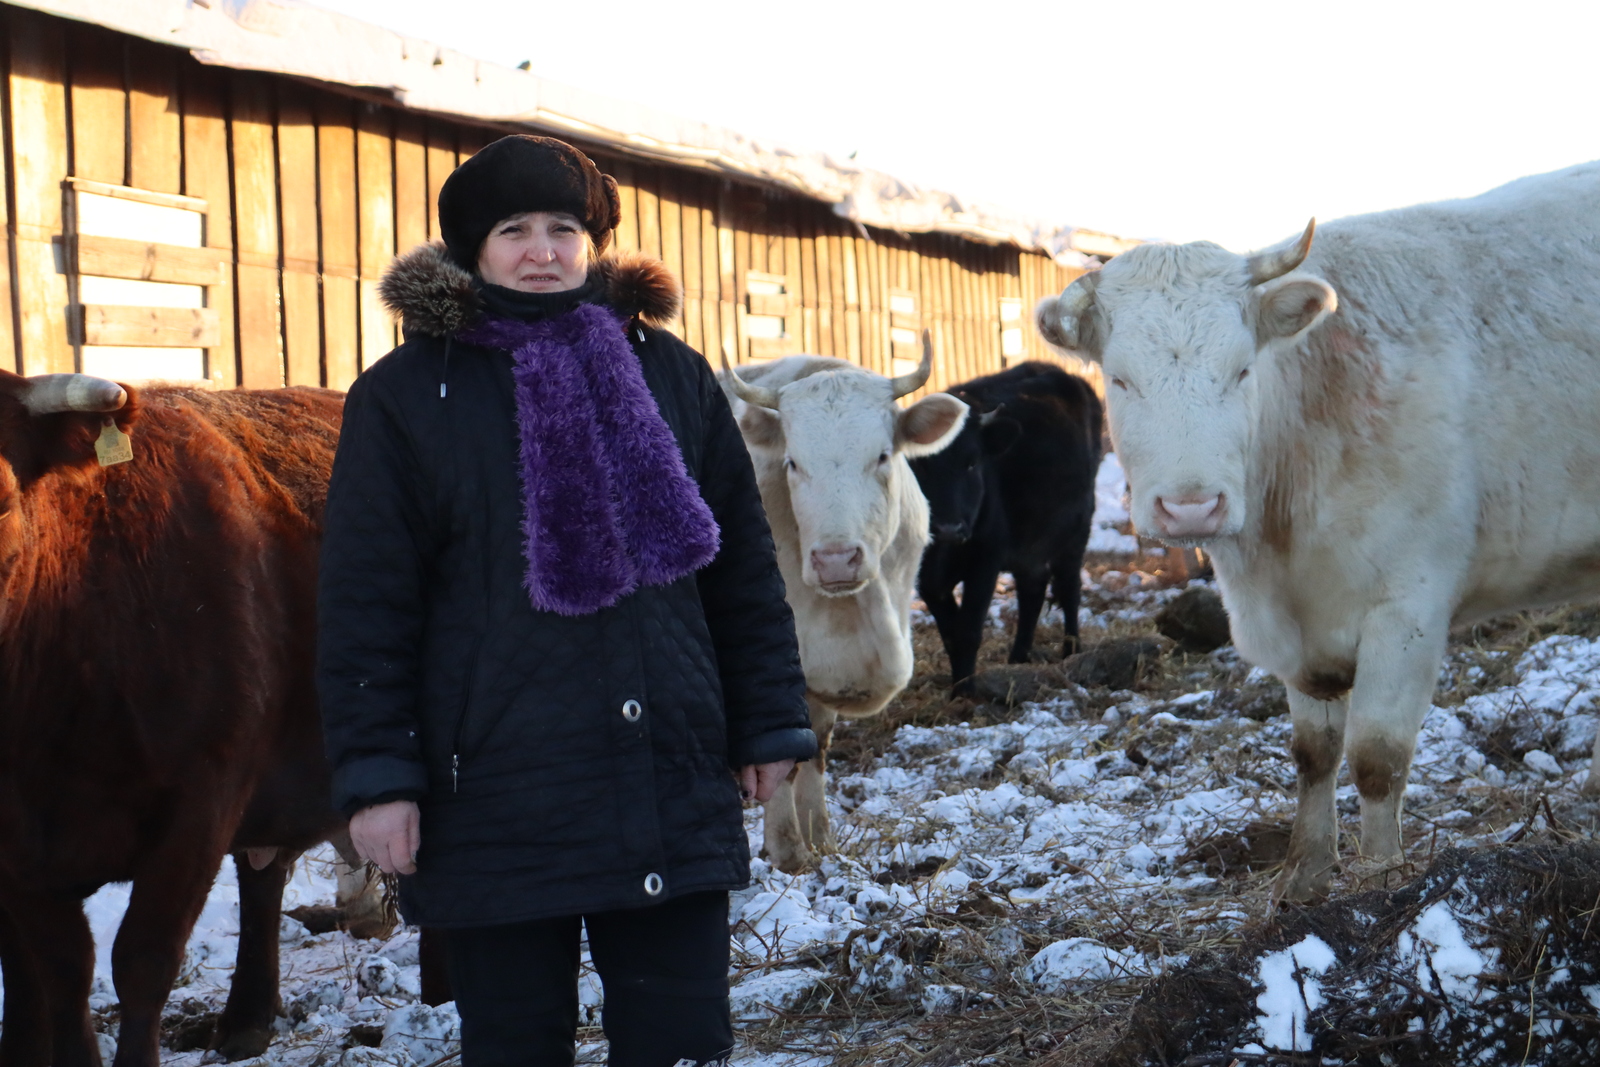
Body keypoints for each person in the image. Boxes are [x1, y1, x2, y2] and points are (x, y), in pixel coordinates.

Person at [317, 134, 817, 1067]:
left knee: (679, 1041)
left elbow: (741, 567)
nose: (543, 251)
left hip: (664, 769)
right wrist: (379, 777)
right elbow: (365, 602)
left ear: (593, 241)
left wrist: (769, 719)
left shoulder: (669, 372)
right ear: (474, 248)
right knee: (516, 1048)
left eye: (563, 228)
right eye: (514, 230)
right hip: (496, 791)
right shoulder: (403, 397)